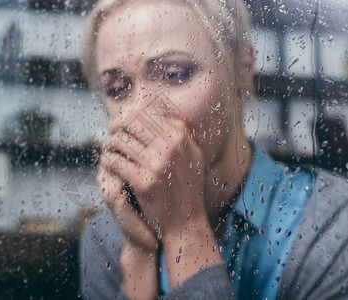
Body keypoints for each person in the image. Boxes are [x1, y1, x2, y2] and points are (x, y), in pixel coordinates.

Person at [79, 0, 348, 299]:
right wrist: (139, 254)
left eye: (174, 73)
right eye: (117, 88)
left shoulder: (332, 226)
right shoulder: (107, 239)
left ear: (242, 66)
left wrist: (186, 230)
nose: (139, 113)